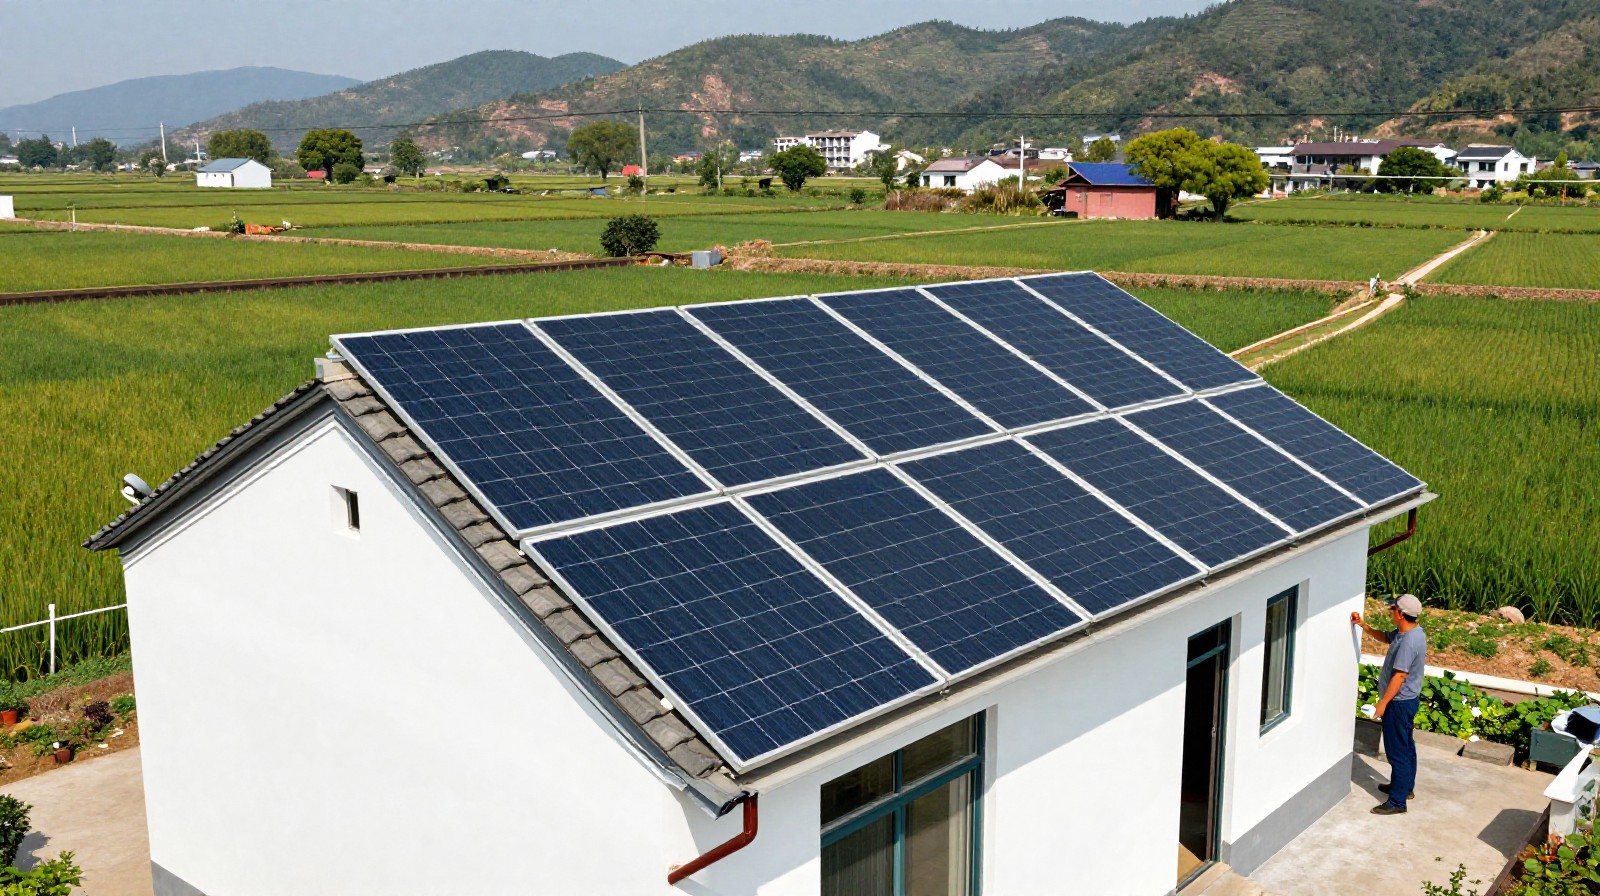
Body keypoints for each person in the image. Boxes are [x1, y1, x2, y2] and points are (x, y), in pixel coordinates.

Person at [1351, 594, 1427, 815]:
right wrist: (1363, 625)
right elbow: (1386, 637)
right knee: (1406, 746)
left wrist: (1383, 703)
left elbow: (1399, 676)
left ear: (1401, 614)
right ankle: (1404, 787)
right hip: (1406, 701)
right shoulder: (1410, 632)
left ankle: (1397, 802)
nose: (1390, 611)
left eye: (1392, 609)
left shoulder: (1409, 643)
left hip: (1398, 703)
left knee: (1397, 752)